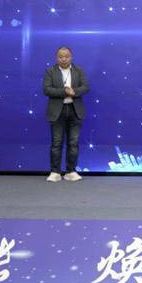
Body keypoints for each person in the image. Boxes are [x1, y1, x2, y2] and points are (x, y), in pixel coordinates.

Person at [42, 46, 89, 182]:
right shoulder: (50, 71)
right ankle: (55, 172)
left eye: (66, 56)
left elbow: (85, 87)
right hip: (57, 111)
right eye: (61, 56)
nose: (64, 59)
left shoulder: (79, 70)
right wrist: (64, 91)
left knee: (73, 143)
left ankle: (71, 171)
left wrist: (74, 92)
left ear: (71, 57)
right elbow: (47, 90)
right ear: (56, 58)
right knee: (56, 143)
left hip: (75, 110)